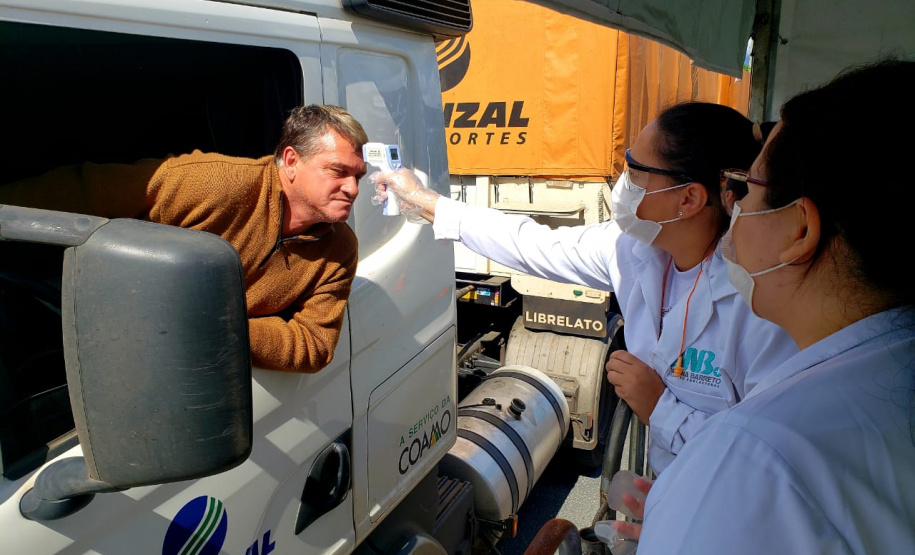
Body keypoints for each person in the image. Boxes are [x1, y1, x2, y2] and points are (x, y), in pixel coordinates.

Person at [372, 101, 798, 475]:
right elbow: (530, 242)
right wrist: (425, 201)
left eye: (636, 172)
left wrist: (659, 409)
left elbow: (771, 459)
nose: (623, 186)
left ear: (688, 200)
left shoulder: (762, 305)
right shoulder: (631, 250)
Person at [623, 58, 915, 554]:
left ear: (800, 230)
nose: (732, 208)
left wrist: (690, 513)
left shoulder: (751, 458)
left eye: (746, 189)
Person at [0, 104, 368, 373]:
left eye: (359, 176)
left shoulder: (339, 249)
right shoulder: (216, 183)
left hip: (184, 372)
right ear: (290, 161)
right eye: (339, 172)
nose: (352, 188)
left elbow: (315, 344)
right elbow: (84, 189)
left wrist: (213, 326)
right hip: (80, 328)